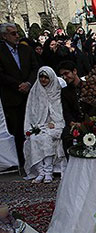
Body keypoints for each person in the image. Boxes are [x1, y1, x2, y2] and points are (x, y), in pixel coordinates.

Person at [0, 23, 39, 169]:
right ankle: (23, 164)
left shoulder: (25, 50)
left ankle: (36, 160)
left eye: (17, 33)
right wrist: (18, 85)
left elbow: (35, 67)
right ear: (4, 36)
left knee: (33, 129)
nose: (17, 36)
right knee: (18, 131)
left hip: (29, 95)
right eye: (13, 33)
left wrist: (28, 83)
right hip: (12, 97)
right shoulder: (1, 51)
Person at [23, 67, 65, 183]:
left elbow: (60, 110)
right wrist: (35, 126)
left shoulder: (57, 90)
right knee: (33, 138)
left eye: (46, 77)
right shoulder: (35, 91)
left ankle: (48, 172)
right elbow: (31, 111)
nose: (43, 80)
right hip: (39, 125)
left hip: (56, 124)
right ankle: (40, 172)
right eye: (41, 77)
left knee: (47, 138)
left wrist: (54, 122)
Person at [58, 60, 96, 156]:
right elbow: (66, 110)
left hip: (92, 121)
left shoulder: (89, 86)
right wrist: (72, 123)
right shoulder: (65, 91)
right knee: (66, 135)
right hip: (75, 123)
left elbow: (94, 106)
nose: (65, 77)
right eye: (62, 75)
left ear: (74, 71)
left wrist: (87, 123)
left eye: (66, 73)